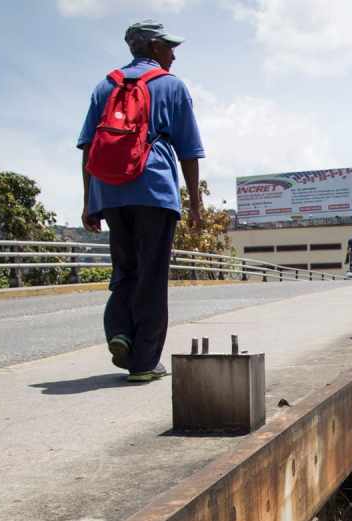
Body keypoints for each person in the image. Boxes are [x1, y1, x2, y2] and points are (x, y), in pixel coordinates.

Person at [77, 19, 205, 382]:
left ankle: (120, 330)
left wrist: (89, 201)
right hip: (154, 189)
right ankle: (145, 362)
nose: (174, 54)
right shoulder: (171, 86)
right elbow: (190, 150)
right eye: (169, 46)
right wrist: (194, 203)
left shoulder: (105, 86)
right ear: (152, 47)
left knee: (125, 267)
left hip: (111, 190)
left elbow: (88, 146)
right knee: (151, 274)